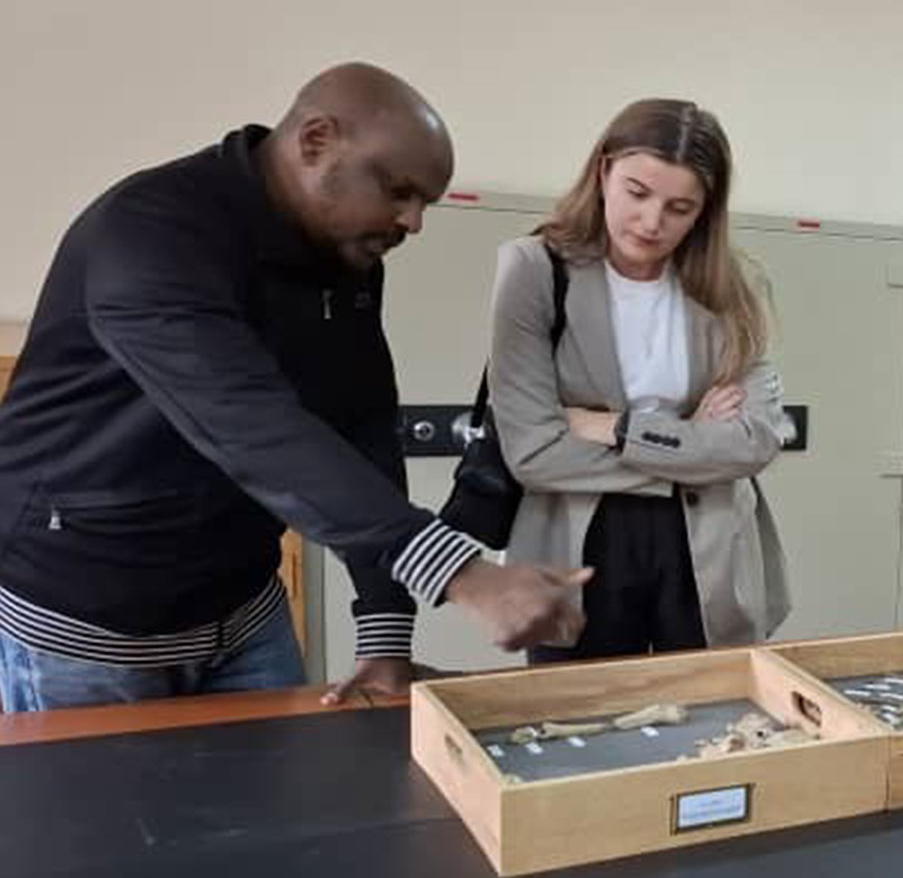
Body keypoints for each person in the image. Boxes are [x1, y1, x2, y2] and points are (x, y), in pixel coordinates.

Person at [0, 64, 586, 713]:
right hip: (87, 635)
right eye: (398, 191)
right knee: (99, 818)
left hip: (244, 616)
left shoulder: (345, 256)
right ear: (315, 141)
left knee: (279, 812)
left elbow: (363, 424)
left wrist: (385, 632)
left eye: (424, 201)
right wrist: (459, 573)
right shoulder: (150, 232)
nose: (414, 222)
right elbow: (248, 424)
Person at [488, 99, 790, 662]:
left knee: (712, 718)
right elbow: (533, 451)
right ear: (603, 172)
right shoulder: (533, 269)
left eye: (679, 207)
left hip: (706, 538)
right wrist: (688, 440)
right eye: (637, 193)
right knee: (578, 726)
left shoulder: (736, 281)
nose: (652, 223)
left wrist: (615, 428)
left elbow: (756, 440)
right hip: (581, 538)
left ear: (706, 210)